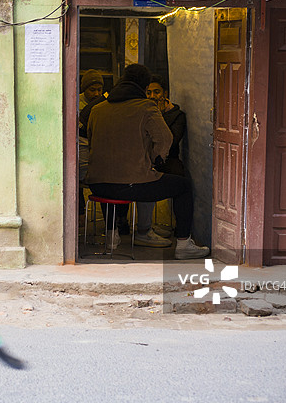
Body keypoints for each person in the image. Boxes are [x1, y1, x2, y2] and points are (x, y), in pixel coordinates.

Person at [85, 64, 209, 260]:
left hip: (97, 185)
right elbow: (165, 139)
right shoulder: (146, 107)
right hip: (132, 186)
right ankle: (184, 244)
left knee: (109, 179)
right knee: (183, 185)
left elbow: (92, 141)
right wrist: (154, 159)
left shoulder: (97, 109)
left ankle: (111, 236)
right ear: (143, 87)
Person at [134, 76, 189, 244]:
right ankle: (138, 227)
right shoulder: (142, 112)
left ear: (165, 94)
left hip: (167, 159)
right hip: (145, 158)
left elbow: (171, 140)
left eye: (156, 92)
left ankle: (181, 231)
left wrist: (159, 116)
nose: (152, 96)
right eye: (148, 92)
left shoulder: (177, 115)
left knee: (181, 180)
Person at [78, 70, 104, 216]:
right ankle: (80, 214)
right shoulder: (77, 103)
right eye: (92, 90)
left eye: (99, 90)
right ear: (84, 89)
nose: (96, 93)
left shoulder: (104, 105)